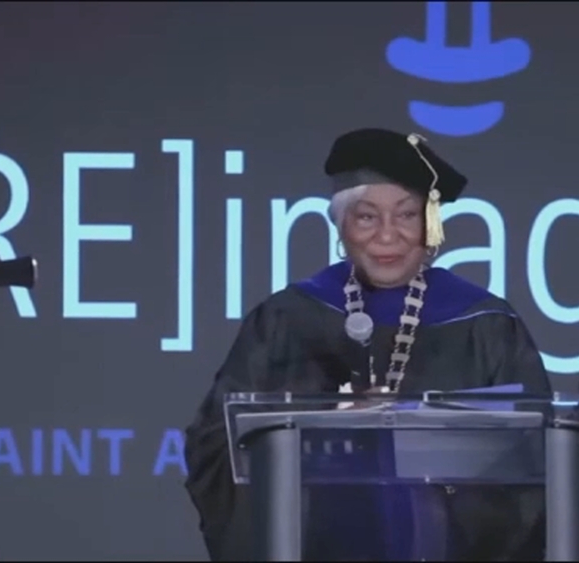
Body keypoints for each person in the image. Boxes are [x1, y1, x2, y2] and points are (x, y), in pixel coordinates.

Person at [183, 128, 553, 561]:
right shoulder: (288, 318)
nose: (387, 235)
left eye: (407, 214)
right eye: (366, 217)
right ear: (341, 225)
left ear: (429, 225)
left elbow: (535, 458)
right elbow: (216, 445)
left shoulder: (484, 323)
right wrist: (325, 428)